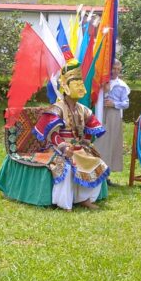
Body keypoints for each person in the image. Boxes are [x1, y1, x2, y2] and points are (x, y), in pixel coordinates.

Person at [33, 61, 110, 211]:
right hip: (57, 148)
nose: (80, 86)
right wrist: (64, 146)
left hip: (78, 148)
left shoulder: (83, 109)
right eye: (76, 83)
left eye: (80, 83)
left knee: (98, 163)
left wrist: (86, 144)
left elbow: (90, 130)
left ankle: (84, 199)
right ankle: (64, 203)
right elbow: (52, 134)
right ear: (66, 88)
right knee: (66, 167)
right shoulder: (57, 108)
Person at [94, 59, 130, 186]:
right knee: (100, 143)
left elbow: (126, 103)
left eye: (118, 69)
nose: (115, 71)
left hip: (113, 116)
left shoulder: (122, 85)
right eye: (113, 68)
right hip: (99, 113)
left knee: (111, 144)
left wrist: (114, 104)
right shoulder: (101, 81)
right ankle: (96, 172)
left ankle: (106, 176)